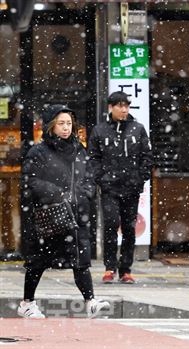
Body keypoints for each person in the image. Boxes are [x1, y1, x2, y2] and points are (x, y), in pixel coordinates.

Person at [19, 104, 110, 318]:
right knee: (38, 262)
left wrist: (86, 191)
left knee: (81, 259)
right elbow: (30, 180)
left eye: (69, 123)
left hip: (77, 214)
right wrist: (55, 192)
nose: (66, 128)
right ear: (51, 125)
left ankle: (90, 301)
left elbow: (88, 174)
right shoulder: (38, 152)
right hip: (49, 215)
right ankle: (27, 302)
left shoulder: (79, 149)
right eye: (61, 123)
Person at [87, 91, 152, 284]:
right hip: (109, 188)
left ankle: (126, 269)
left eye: (126, 106)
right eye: (120, 106)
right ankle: (109, 267)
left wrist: (140, 178)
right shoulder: (99, 130)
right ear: (111, 107)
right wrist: (101, 179)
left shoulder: (138, 129)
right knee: (111, 224)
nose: (124, 110)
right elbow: (93, 158)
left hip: (131, 188)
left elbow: (146, 157)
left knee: (129, 229)